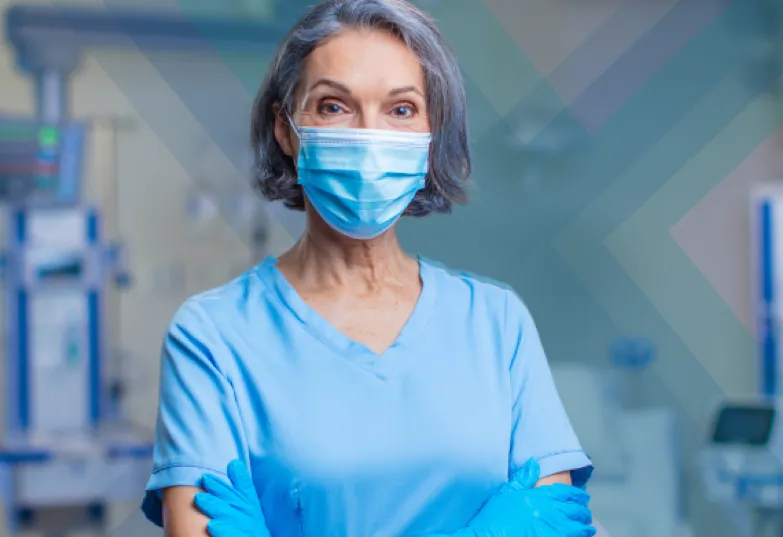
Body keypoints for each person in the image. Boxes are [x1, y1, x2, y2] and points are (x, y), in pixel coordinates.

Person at [140, 0, 595, 536]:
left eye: (400, 110)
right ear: (286, 129)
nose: (369, 138)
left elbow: (559, 520)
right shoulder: (214, 337)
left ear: (430, 134)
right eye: (334, 106)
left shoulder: (497, 324)